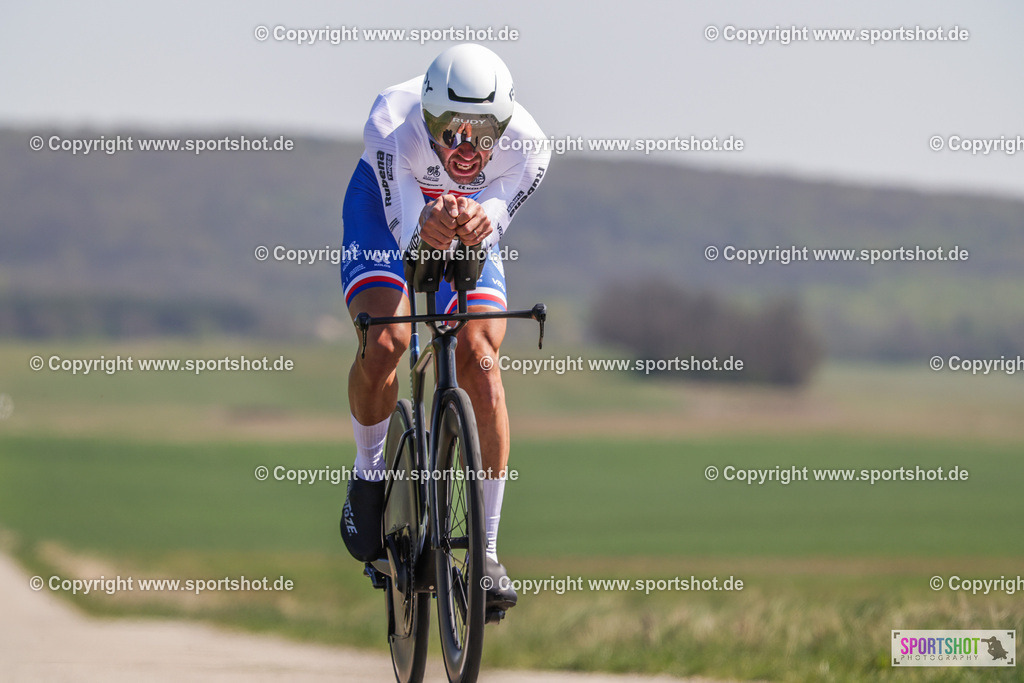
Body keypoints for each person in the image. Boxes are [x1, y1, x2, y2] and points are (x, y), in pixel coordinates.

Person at [339, 43, 550, 612]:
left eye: (483, 134)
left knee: (481, 358)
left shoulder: (530, 148)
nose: (465, 148)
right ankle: (369, 472)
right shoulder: (392, 121)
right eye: (449, 130)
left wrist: (480, 220)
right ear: (427, 116)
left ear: (504, 125)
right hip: (387, 206)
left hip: (468, 216)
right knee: (388, 339)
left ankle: (486, 553)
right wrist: (429, 225)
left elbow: (493, 220)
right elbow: (408, 231)